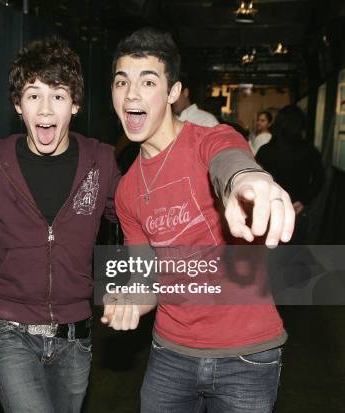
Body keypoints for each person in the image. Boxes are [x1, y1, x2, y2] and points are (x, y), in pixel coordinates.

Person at [102, 27, 295, 413]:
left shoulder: (208, 140)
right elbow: (147, 279)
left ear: (173, 93)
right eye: (121, 82)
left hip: (247, 355)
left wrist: (247, 179)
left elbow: (230, 158)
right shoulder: (126, 191)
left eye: (148, 81)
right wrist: (129, 302)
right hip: (170, 353)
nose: (132, 94)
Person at [0, 37, 120, 413]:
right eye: (33, 95)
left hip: (75, 332)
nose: (45, 108)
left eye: (59, 96)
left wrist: (130, 284)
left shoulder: (101, 160)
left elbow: (131, 220)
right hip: (8, 326)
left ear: (75, 105)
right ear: (18, 105)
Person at [257, 105, 324, 244]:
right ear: (301, 126)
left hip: (269, 209)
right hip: (297, 210)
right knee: (292, 254)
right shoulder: (309, 150)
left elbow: (257, 177)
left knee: (267, 254)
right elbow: (319, 179)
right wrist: (303, 201)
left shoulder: (265, 150)